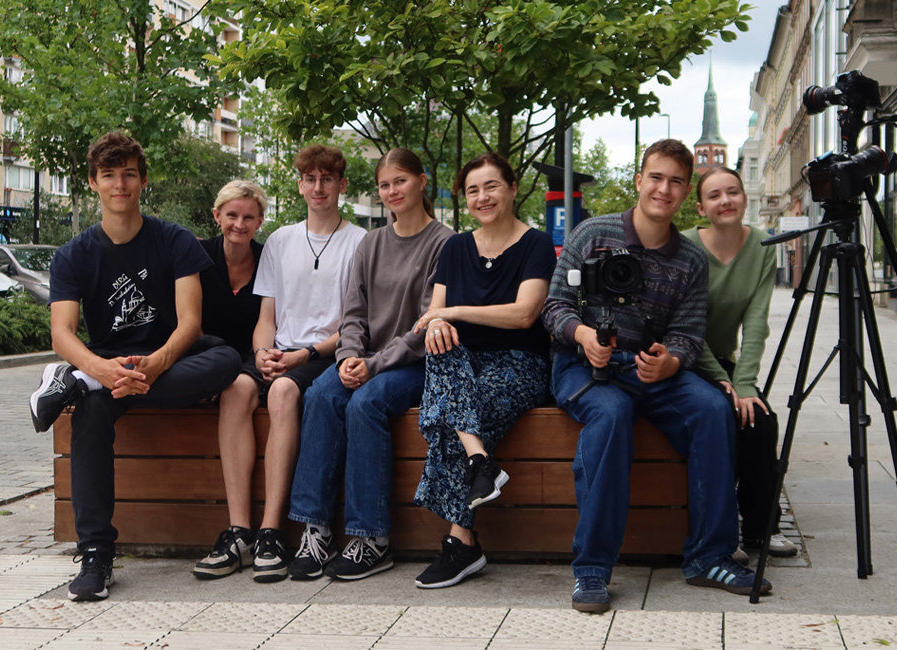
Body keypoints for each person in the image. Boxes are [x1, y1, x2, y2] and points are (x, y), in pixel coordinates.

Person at [542, 139, 771, 614]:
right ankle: (592, 569)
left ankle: (710, 556)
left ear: (687, 192)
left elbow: (689, 334)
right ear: (639, 180)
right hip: (586, 366)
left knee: (711, 409)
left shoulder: (690, 259)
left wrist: (672, 361)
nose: (663, 189)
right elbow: (554, 307)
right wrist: (584, 335)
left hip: (654, 369)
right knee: (610, 416)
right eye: (656, 177)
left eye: (675, 181)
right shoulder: (593, 233)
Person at [28, 132, 241, 601]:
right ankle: (95, 555)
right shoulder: (73, 254)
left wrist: (155, 364)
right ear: (93, 183)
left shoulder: (174, 240)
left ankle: (78, 382)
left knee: (226, 359)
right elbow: (61, 333)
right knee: (91, 411)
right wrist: (101, 370)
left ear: (143, 181)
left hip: (170, 356)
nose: (119, 184)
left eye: (128, 174)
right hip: (109, 363)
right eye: (109, 175)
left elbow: (190, 322)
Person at [193, 147, 366, 582]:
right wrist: (262, 354)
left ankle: (271, 531)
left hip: (322, 356)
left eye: (327, 179)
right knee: (235, 387)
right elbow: (265, 316)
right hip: (277, 352)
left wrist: (303, 356)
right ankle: (239, 531)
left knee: (286, 391)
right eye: (310, 178)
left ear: (342, 185)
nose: (319, 187)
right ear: (300, 184)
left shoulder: (360, 241)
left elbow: (353, 322)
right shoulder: (281, 241)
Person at [286, 147, 453, 582]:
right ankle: (316, 528)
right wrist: (348, 358)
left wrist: (374, 365)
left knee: (366, 404)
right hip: (366, 358)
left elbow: (424, 324)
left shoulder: (444, 242)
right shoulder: (372, 242)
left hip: (414, 363)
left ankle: (371, 538)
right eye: (384, 184)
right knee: (321, 393)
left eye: (400, 180)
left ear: (421, 182)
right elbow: (353, 314)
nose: (392, 190)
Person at [410, 153, 555, 589]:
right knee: (440, 350)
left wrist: (450, 311)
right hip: (463, 362)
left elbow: (525, 314)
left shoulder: (536, 244)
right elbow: (435, 317)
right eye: (472, 190)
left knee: (453, 414)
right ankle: (480, 461)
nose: (482, 196)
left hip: (519, 363)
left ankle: (462, 541)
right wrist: (438, 321)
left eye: (491, 186)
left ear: (512, 188)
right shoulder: (455, 247)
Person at [683, 167, 795, 560]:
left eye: (732, 192)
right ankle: (720, 529)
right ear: (701, 207)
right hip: (684, 358)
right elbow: (688, 326)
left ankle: (763, 529)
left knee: (759, 418)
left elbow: (757, 319)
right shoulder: (686, 247)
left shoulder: (763, 245)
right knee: (722, 414)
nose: (725, 200)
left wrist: (744, 384)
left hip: (723, 362)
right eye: (714, 195)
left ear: (745, 198)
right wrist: (723, 382)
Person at [198, 180, 266, 360]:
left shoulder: (268, 260)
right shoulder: (198, 255)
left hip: (253, 361)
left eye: (248, 217)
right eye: (232, 215)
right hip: (202, 357)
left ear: (259, 222)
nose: (239, 224)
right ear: (217, 216)